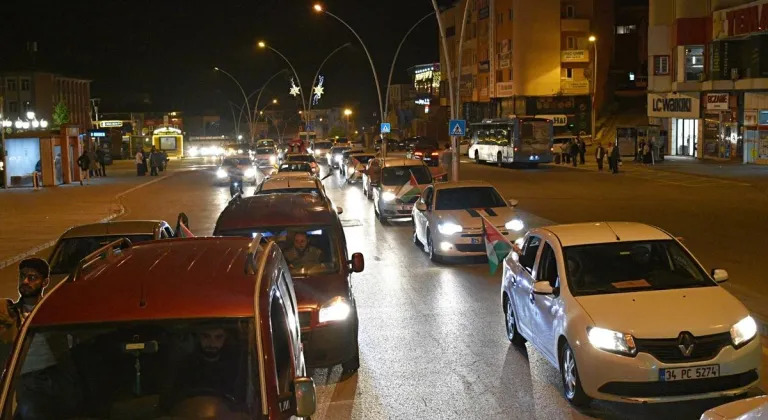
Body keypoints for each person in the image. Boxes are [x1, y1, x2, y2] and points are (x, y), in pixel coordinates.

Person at [3, 258, 80, 418]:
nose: (25, 281)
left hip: (56, 376)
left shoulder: (53, 312)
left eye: (32, 278)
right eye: (22, 276)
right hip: (27, 379)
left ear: (45, 282)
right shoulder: (10, 313)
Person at [162, 324, 245, 412]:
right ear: (198, 336)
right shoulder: (184, 366)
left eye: (218, 337)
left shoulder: (236, 366)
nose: (212, 343)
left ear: (225, 338)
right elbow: (169, 400)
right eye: (206, 336)